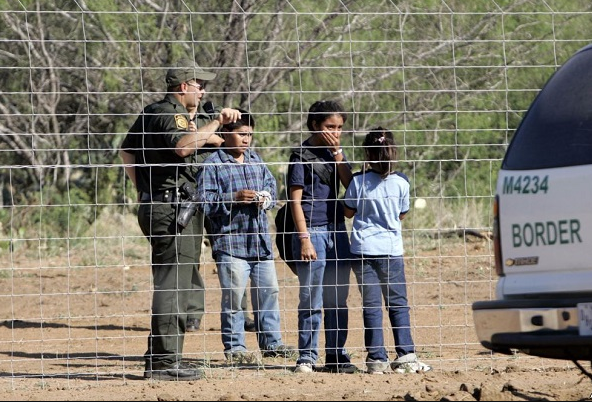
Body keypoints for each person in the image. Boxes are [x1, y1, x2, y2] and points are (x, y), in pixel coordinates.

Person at [119, 59, 241, 381]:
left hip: (168, 206)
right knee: (173, 285)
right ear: (183, 86)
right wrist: (214, 125)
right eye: (199, 84)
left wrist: (144, 190)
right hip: (171, 210)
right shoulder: (166, 113)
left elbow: (127, 151)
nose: (203, 90)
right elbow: (183, 147)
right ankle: (164, 363)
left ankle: (163, 356)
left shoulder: (161, 114)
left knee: (178, 282)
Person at [196, 109, 295, 363]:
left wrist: (266, 199)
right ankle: (235, 349)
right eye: (242, 134)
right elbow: (204, 203)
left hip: (260, 243)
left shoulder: (255, 160)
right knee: (234, 299)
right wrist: (234, 198)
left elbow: (272, 189)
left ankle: (272, 343)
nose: (246, 139)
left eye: (250, 134)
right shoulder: (212, 165)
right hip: (230, 244)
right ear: (226, 134)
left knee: (269, 292)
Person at [343, 127, 432, 374]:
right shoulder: (402, 181)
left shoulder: (357, 182)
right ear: (393, 152)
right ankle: (406, 354)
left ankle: (376, 359)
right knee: (398, 304)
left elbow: (348, 212)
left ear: (367, 154)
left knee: (371, 306)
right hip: (391, 251)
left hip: (362, 251)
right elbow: (402, 214)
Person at [288, 100, 358, 374]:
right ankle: (306, 357)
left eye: (340, 127)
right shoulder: (301, 156)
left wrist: (339, 155)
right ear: (315, 125)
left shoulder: (335, 154)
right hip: (312, 233)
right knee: (311, 297)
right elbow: (295, 201)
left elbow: (351, 187)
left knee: (338, 298)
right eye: (330, 126)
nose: (336, 132)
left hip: (337, 231)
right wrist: (304, 238)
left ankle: (336, 356)